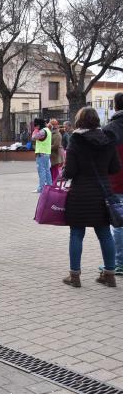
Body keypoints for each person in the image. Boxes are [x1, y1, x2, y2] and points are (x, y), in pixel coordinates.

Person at [62, 107, 119, 288]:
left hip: (80, 194)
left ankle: (75, 276)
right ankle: (109, 275)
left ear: (79, 121)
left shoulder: (76, 141)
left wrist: (64, 171)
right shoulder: (107, 140)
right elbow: (114, 168)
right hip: (103, 194)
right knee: (104, 234)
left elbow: (70, 171)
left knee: (77, 234)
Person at [102, 92, 123, 276]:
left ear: (115, 106)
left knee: (118, 224)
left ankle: (120, 262)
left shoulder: (110, 129)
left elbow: (104, 159)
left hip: (116, 183)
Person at [31, 118, 52, 192]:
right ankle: (49, 187)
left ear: (39, 125)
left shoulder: (42, 131)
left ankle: (41, 188)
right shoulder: (48, 130)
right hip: (47, 153)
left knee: (41, 171)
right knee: (47, 170)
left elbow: (33, 138)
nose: (35, 127)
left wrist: (35, 131)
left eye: (35, 126)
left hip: (41, 153)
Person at [49, 119, 64, 184]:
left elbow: (56, 145)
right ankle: (53, 184)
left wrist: (47, 147)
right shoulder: (51, 132)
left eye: (51, 124)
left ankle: (54, 185)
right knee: (52, 170)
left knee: (54, 170)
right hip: (53, 155)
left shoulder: (57, 134)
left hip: (55, 155)